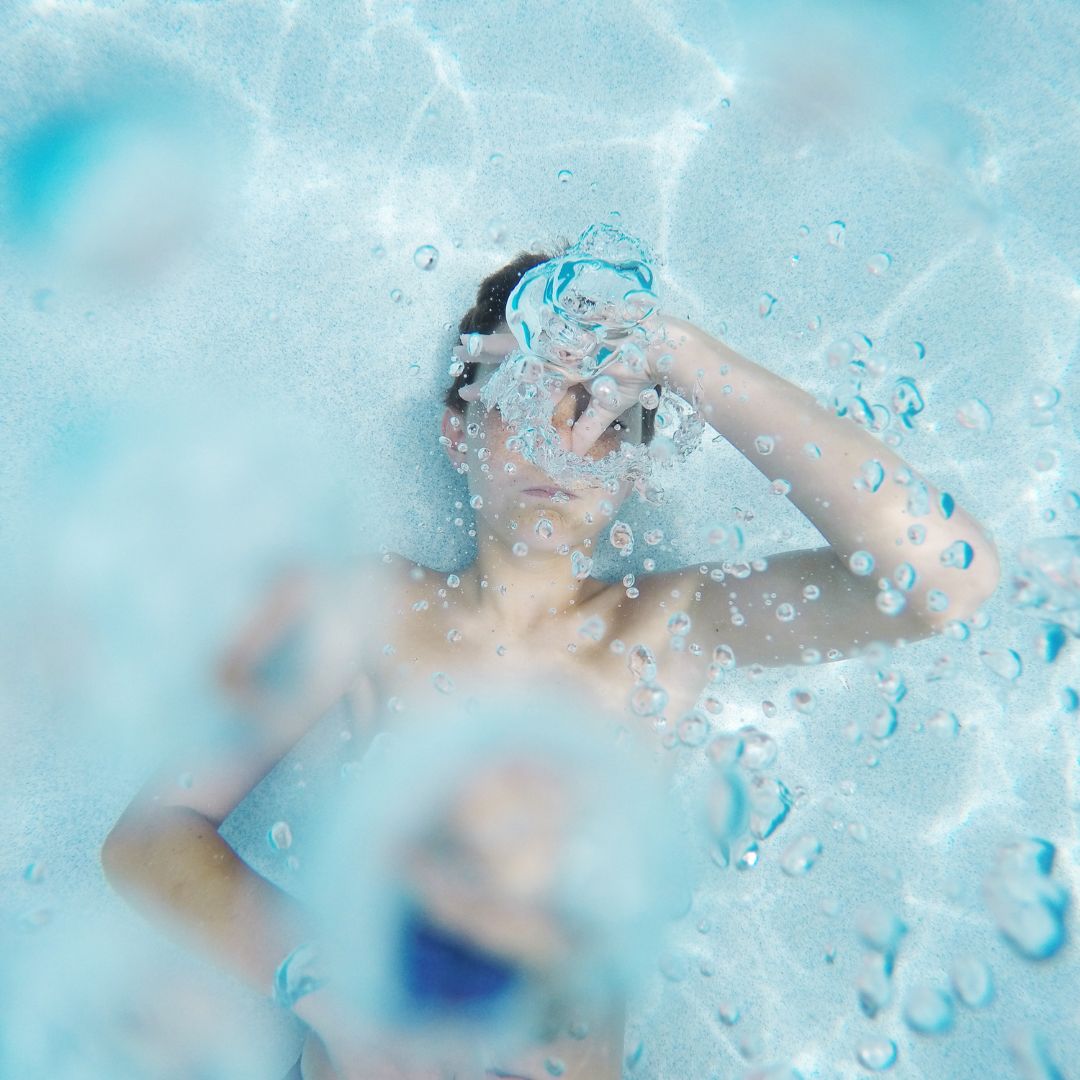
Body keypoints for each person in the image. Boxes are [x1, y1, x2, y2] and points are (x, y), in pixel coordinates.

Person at [102, 244, 1001, 1079]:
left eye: (602, 411)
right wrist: (319, 980)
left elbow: (941, 579)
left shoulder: (674, 626)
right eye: (524, 397)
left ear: (636, 470)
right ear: (458, 434)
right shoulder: (363, 606)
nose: (560, 440)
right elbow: (150, 836)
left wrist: (674, 352)